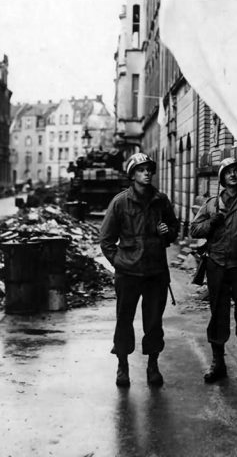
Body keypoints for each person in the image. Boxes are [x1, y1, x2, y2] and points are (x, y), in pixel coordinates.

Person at [99, 153, 179, 388]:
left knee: (154, 323)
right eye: (141, 169)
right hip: (128, 274)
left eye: (149, 169)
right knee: (124, 320)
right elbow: (106, 240)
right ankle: (122, 366)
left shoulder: (161, 200)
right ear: (132, 174)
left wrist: (168, 232)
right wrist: (120, 262)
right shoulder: (120, 202)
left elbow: (174, 229)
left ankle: (153, 366)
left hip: (155, 272)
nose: (147, 173)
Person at [190, 157, 237, 383]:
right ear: (222, 177)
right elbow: (194, 230)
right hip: (217, 266)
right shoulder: (212, 204)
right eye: (228, 171)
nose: (233, 175)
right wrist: (212, 222)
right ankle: (218, 363)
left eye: (236, 171)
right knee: (218, 315)